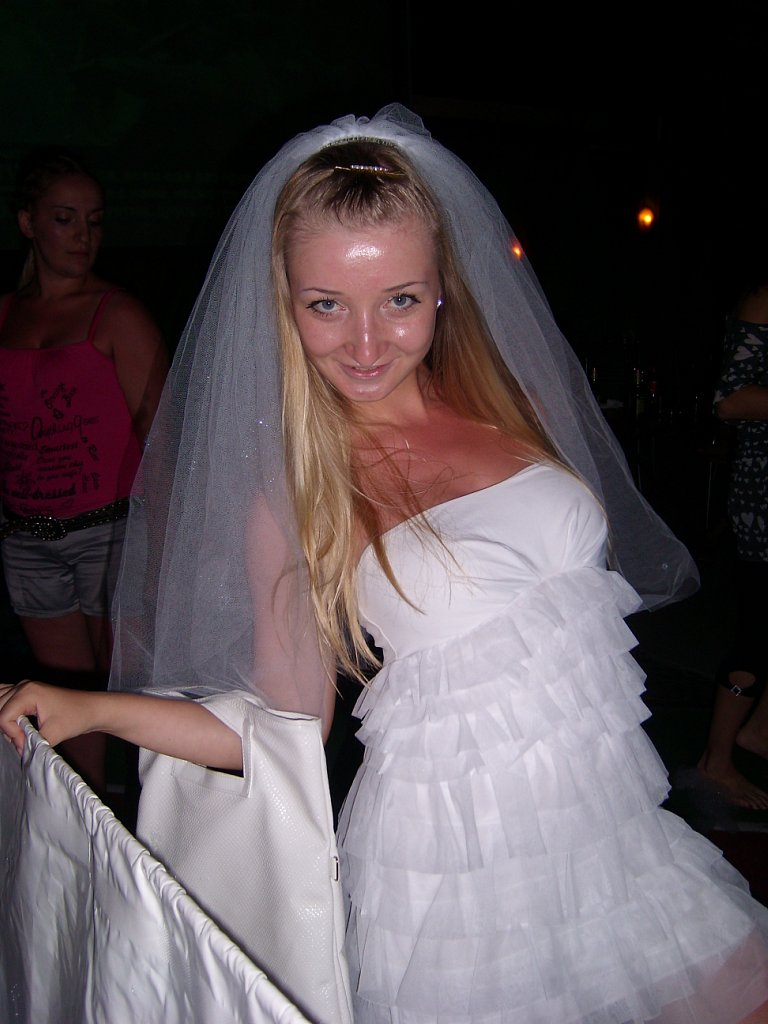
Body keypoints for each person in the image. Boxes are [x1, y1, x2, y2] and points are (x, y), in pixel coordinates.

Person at [1, 105, 768, 1023]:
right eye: (326, 304)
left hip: (610, 838)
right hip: (453, 880)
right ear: (285, 304)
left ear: (443, 288)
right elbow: (280, 727)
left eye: (399, 300)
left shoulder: (512, 402)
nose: (365, 346)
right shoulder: (295, 495)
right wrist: (88, 707)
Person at [0, 149, 168, 795]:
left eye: (94, 221)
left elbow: (163, 435)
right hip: (28, 541)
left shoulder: (116, 313)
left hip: (110, 535)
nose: (83, 236)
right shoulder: (6, 315)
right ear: (28, 223)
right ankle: (86, 826)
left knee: (127, 695)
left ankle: (155, 830)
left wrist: (162, 545)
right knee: (65, 709)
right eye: (65, 219)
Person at [697, 268, 768, 810]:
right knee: (759, 631)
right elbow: (729, 401)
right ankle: (715, 761)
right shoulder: (763, 298)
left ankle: (758, 731)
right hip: (764, 493)